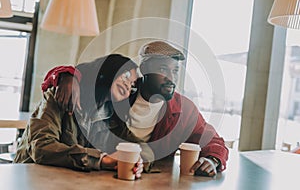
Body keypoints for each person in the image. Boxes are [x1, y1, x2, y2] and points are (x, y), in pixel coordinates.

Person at [40, 41, 229, 177]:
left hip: (143, 178)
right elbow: (94, 76)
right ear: (144, 70)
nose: (171, 78)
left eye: (175, 71)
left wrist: (213, 160)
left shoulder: (184, 109)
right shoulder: (121, 96)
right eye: (163, 70)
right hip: (85, 174)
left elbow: (213, 140)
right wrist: (66, 75)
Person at [14, 54, 144, 178]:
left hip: (67, 181)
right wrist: (101, 160)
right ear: (109, 68)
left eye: (133, 86)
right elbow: (41, 147)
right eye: (126, 75)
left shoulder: (112, 117)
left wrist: (138, 161)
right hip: (29, 178)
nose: (128, 86)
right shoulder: (62, 94)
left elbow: (144, 149)